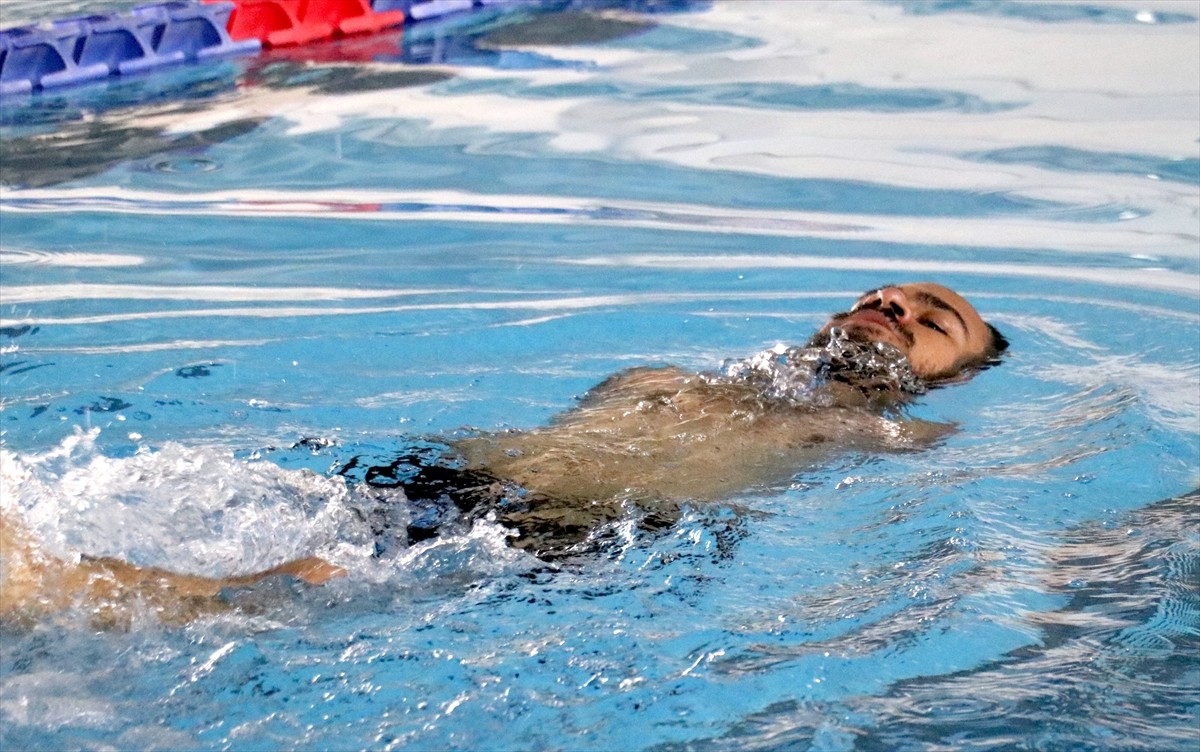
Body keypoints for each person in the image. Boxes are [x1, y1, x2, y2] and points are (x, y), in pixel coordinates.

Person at [1, 282, 1006, 625]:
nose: (898, 306)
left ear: (953, 374)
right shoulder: (672, 372)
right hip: (441, 485)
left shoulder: (890, 434)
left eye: (936, 320)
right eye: (887, 293)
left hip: (565, 536)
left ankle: (44, 583)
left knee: (299, 583)